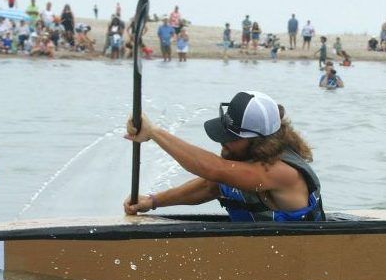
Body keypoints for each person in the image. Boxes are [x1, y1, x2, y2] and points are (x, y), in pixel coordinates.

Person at [123, 91, 325, 223]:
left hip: (299, 256)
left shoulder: (280, 172)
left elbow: (214, 169)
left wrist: (154, 133)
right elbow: (210, 185)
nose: (222, 142)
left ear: (260, 141)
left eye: (230, 138)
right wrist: (153, 202)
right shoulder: (247, 161)